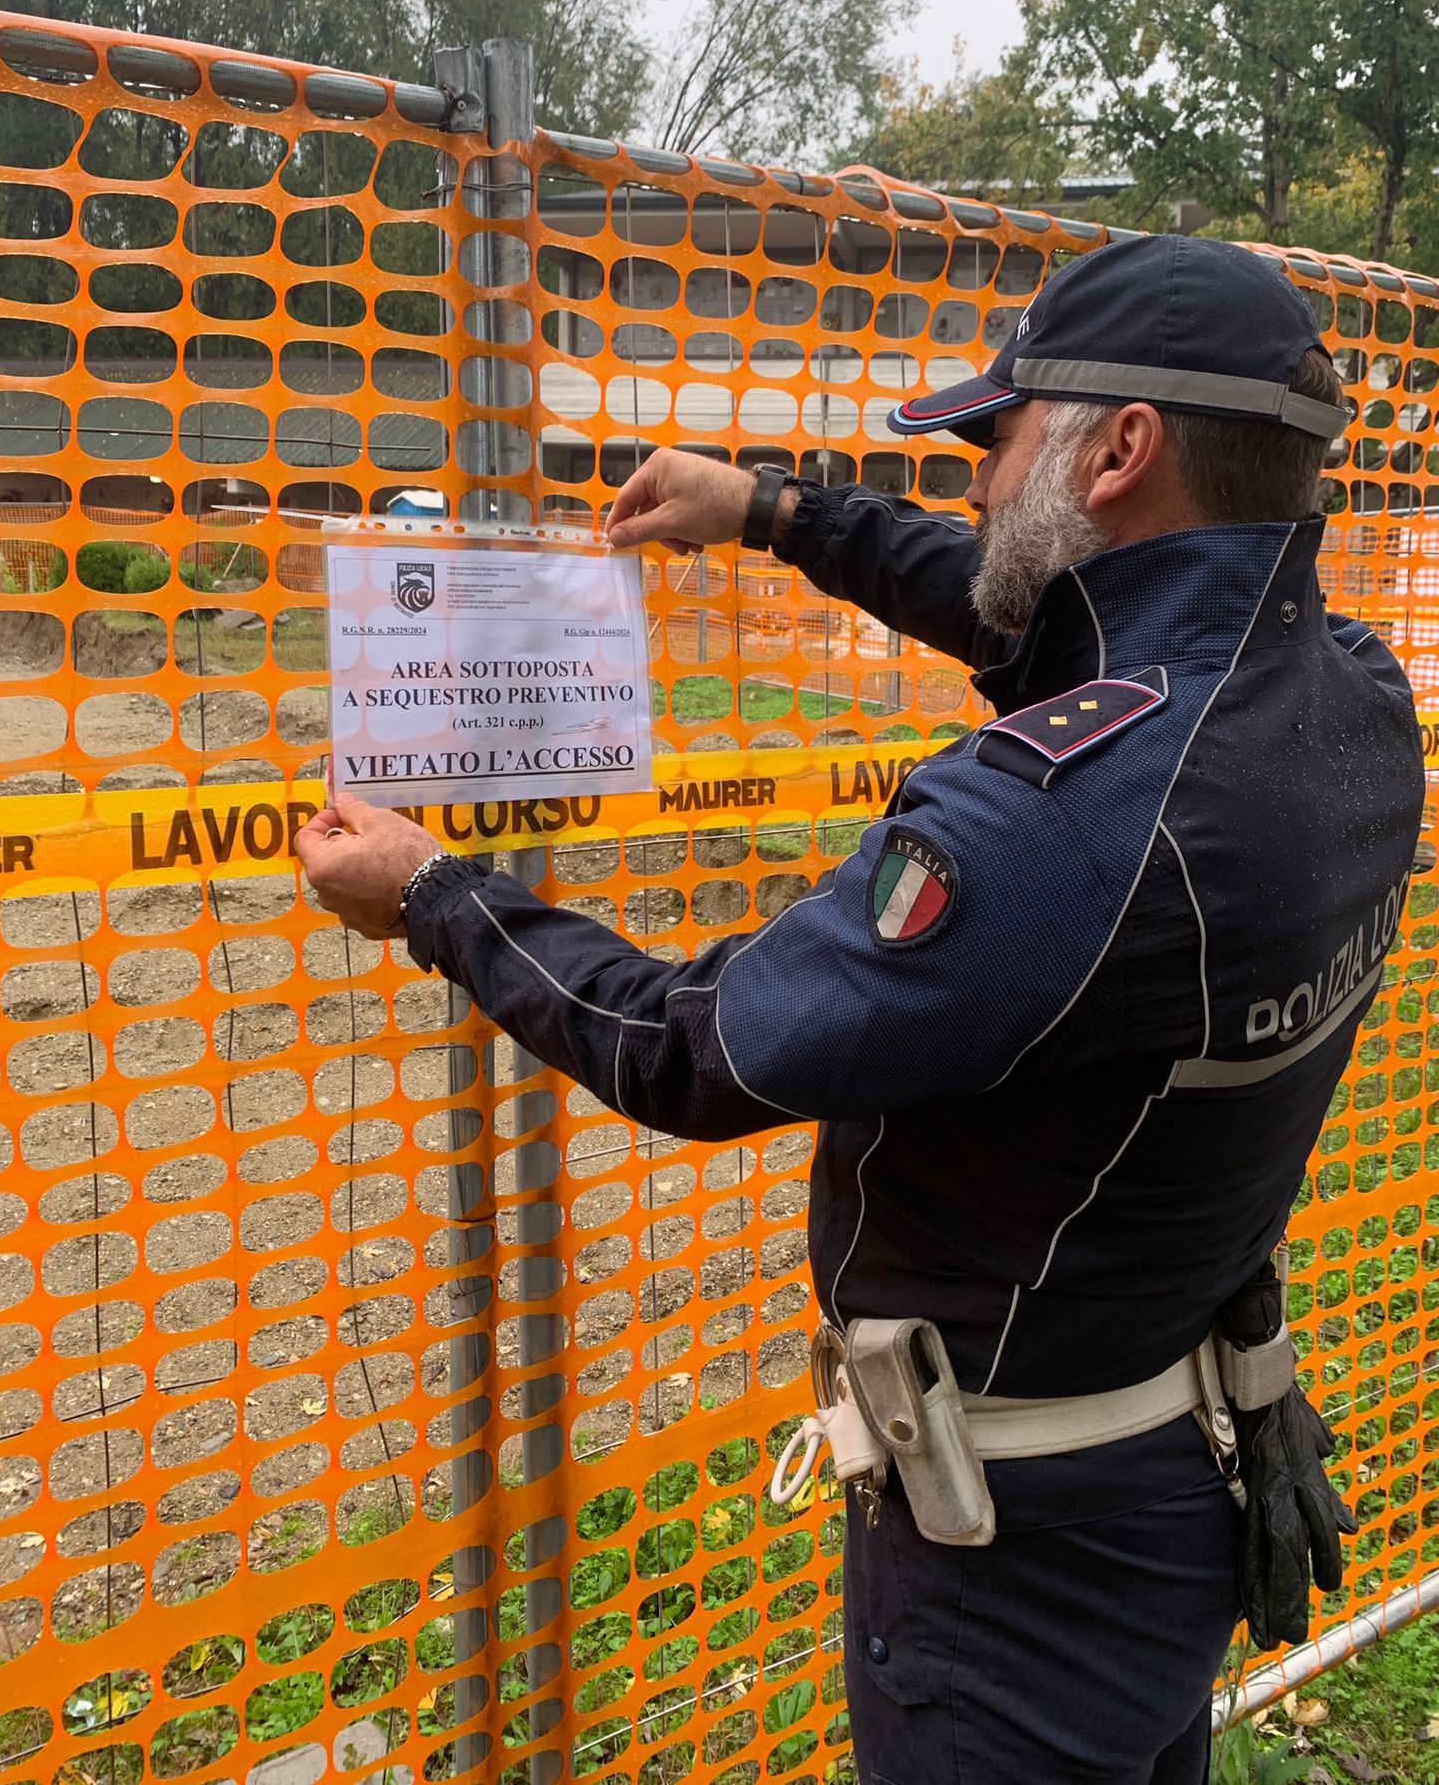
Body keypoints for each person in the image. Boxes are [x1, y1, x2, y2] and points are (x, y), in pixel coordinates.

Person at [294, 235, 1423, 1784]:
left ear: (1120, 450)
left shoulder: (1059, 832)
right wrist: (769, 512)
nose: (974, 479)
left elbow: (699, 1049)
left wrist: (435, 899)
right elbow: (1033, 621)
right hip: (1178, 1456)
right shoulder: (1349, 695)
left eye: (1001, 437)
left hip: (1010, 1564)